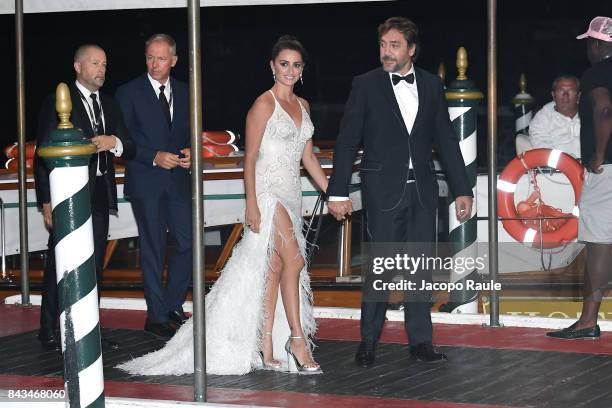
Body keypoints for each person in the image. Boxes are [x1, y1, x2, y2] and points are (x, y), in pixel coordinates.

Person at [117, 35, 327, 375]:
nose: (290, 70)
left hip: (291, 194)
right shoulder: (262, 104)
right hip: (266, 194)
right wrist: (252, 205)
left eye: (296, 65)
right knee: (296, 260)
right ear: (272, 66)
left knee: (274, 269)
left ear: (302, 69)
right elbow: (250, 160)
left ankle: (266, 344)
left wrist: (334, 192)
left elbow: (308, 157)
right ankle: (297, 340)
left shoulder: (303, 106)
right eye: (284, 63)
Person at [327, 17, 473, 367]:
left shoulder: (431, 84)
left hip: (423, 191)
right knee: (380, 267)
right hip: (382, 191)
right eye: (383, 45)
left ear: (411, 50)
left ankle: (421, 341)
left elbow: (448, 142)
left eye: (394, 46)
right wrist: (337, 191)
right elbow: (348, 141)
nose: (386, 52)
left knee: (421, 267)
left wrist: (462, 189)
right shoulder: (365, 85)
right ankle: (368, 341)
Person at [34, 44, 136, 351]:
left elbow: (129, 146)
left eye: (104, 64)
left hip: (100, 195)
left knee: (95, 266)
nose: (101, 69)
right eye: (95, 64)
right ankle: (49, 329)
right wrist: (46, 201)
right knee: (59, 262)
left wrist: (113, 141)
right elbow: (40, 156)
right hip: (67, 196)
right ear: (78, 67)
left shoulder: (110, 103)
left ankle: (89, 326)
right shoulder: (56, 102)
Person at [115, 34, 192, 340]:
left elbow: (187, 133)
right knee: (153, 248)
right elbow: (123, 140)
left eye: (161, 58)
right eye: (149, 57)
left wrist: (188, 154)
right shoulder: (128, 92)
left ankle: (173, 305)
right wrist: (155, 157)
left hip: (178, 182)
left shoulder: (186, 91)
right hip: (146, 180)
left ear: (174, 60)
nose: (154, 63)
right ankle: (156, 316)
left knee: (187, 243)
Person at [547, 16, 612, 340]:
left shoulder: (598, 72)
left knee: (599, 244)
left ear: (598, 44)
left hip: (608, 170)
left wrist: (599, 154)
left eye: (590, 42)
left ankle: (587, 321)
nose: (588, 49)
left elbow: (603, 110)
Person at [529, 75, 581, 158]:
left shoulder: (590, 114)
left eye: (571, 90)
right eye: (561, 91)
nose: (565, 95)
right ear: (553, 95)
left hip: (592, 166)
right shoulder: (542, 119)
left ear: (578, 95)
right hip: (558, 168)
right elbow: (543, 151)